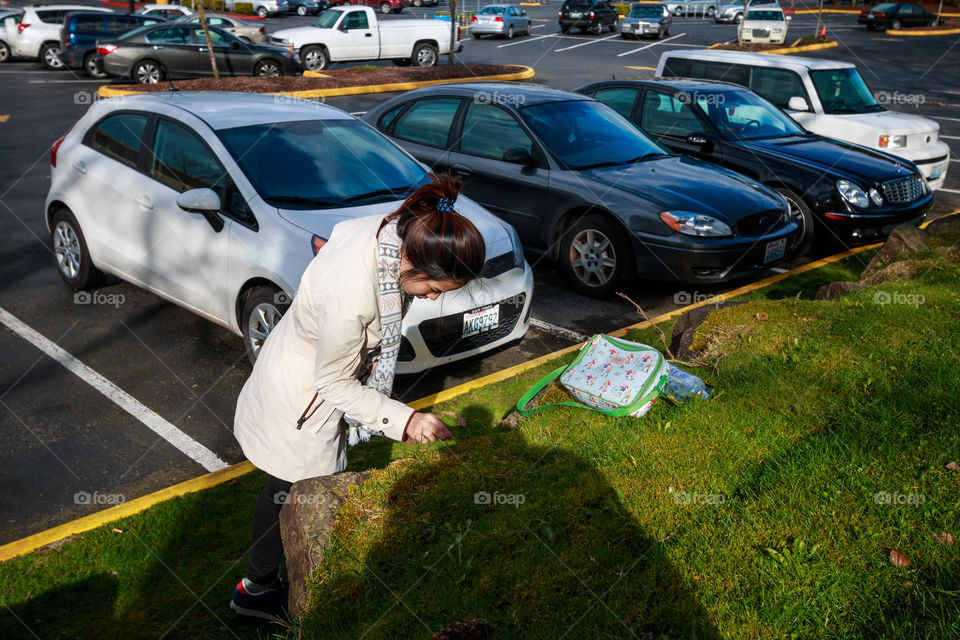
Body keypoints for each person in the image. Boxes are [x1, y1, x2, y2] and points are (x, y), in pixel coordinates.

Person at [229, 174, 486, 622]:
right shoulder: (355, 293)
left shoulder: (390, 230)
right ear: (415, 262)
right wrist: (405, 421)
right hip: (303, 400)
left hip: (301, 373)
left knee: (282, 489)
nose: (427, 300)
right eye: (432, 290)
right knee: (295, 491)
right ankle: (261, 591)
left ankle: (258, 584)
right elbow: (332, 381)